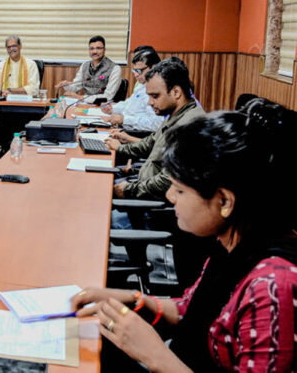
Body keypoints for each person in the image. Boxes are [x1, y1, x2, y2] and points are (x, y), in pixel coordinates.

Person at [71, 99, 297, 372]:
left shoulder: (272, 286)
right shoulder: (230, 244)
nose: (170, 196)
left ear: (224, 201)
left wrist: (155, 356)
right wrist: (132, 301)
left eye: (179, 190)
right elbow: (190, 309)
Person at [105, 57, 204, 203]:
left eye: (155, 96)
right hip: (144, 184)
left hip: (153, 203)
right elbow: (150, 144)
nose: (150, 102)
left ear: (176, 92)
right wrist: (123, 151)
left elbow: (167, 181)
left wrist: (129, 190)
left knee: (98, 198)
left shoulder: (190, 126)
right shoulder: (176, 114)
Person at [101, 46, 164, 132]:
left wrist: (124, 119)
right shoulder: (141, 85)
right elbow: (130, 105)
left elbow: (156, 124)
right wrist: (112, 108)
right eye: (134, 71)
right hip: (127, 129)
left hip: (139, 134)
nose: (136, 75)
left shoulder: (159, 90)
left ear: (153, 68)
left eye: (139, 71)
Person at [56, 35, 122, 103]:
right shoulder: (85, 65)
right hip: (84, 104)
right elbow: (76, 87)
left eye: (98, 48)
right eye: (92, 48)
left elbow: (108, 96)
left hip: (104, 106)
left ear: (104, 50)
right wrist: (66, 85)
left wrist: (80, 97)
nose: (95, 51)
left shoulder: (115, 68)